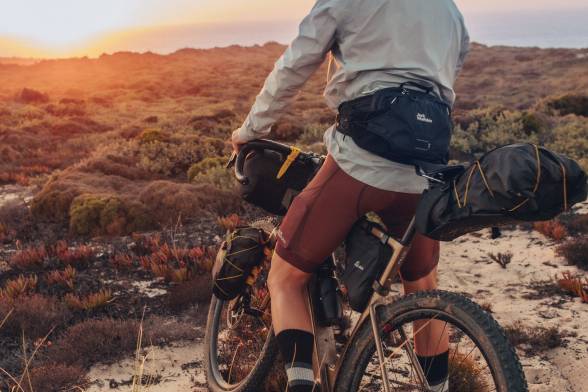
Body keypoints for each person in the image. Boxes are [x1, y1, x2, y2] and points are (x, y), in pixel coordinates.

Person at [231, 1, 470, 391]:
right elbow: (449, 72)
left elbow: (295, 64)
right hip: (428, 167)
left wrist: (250, 130)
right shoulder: (448, 9)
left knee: (285, 277)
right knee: (424, 285)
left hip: (361, 164)